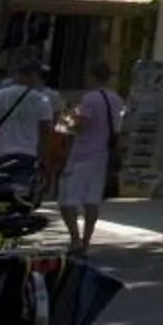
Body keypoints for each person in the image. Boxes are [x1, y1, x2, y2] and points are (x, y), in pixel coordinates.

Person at [57, 62, 124, 254]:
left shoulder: (89, 99)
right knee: (92, 200)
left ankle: (75, 239)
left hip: (82, 154)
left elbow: (79, 125)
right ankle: (86, 240)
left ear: (92, 76)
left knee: (68, 200)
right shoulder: (117, 99)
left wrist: (65, 119)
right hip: (102, 155)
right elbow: (118, 129)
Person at [0, 54, 56, 194]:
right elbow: (45, 134)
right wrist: (44, 160)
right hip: (26, 156)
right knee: (19, 196)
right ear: (33, 75)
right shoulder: (42, 101)